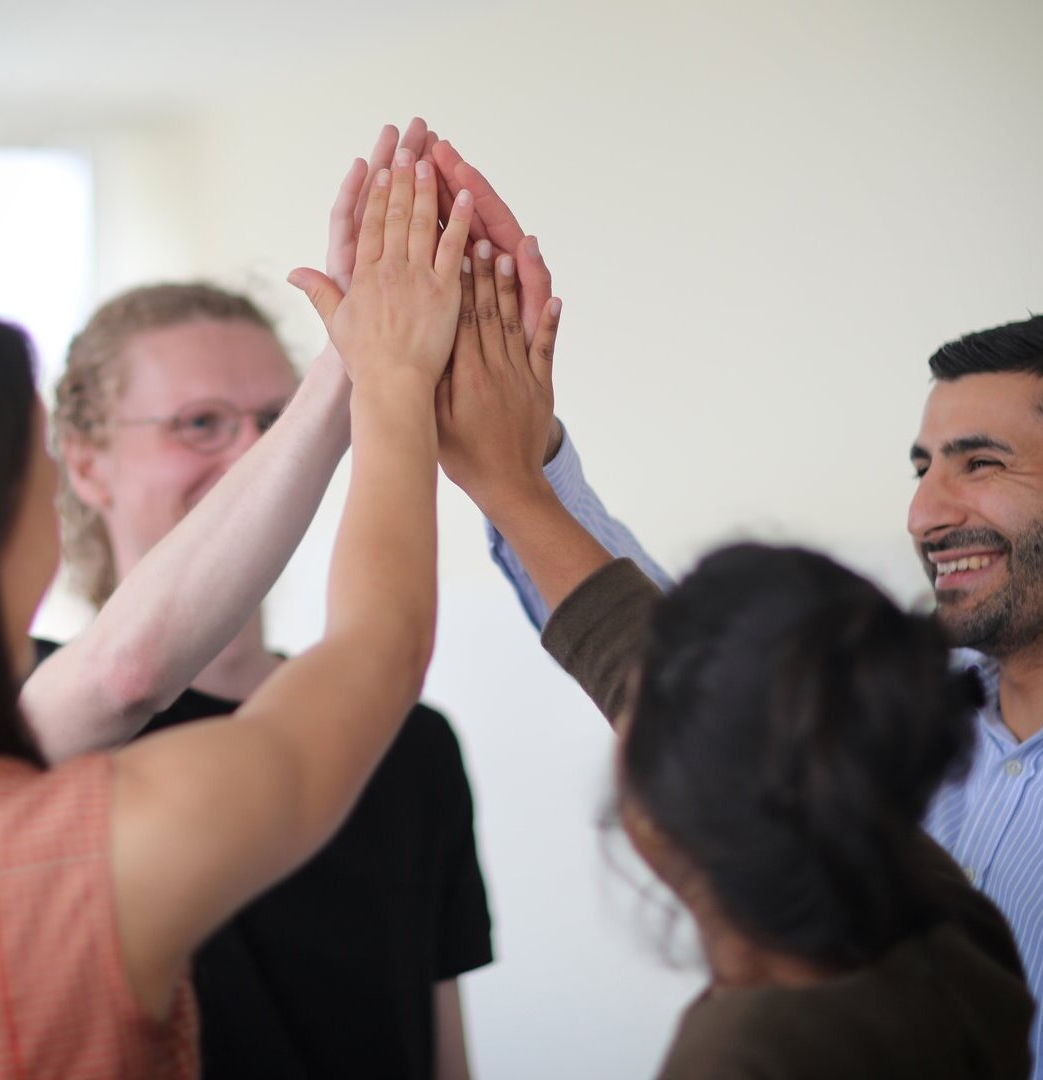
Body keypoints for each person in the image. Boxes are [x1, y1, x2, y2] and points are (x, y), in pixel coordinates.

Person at [433, 249, 1035, 1076]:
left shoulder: (752, 1050)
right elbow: (669, 666)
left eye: (983, 462)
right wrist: (521, 467)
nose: (925, 512)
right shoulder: (882, 726)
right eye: (923, 467)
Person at [0, 152, 480, 1076]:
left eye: (273, 418)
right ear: (77, 471)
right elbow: (134, 672)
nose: (251, 455)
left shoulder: (417, 752)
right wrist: (380, 378)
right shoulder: (35, 782)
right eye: (199, 423)